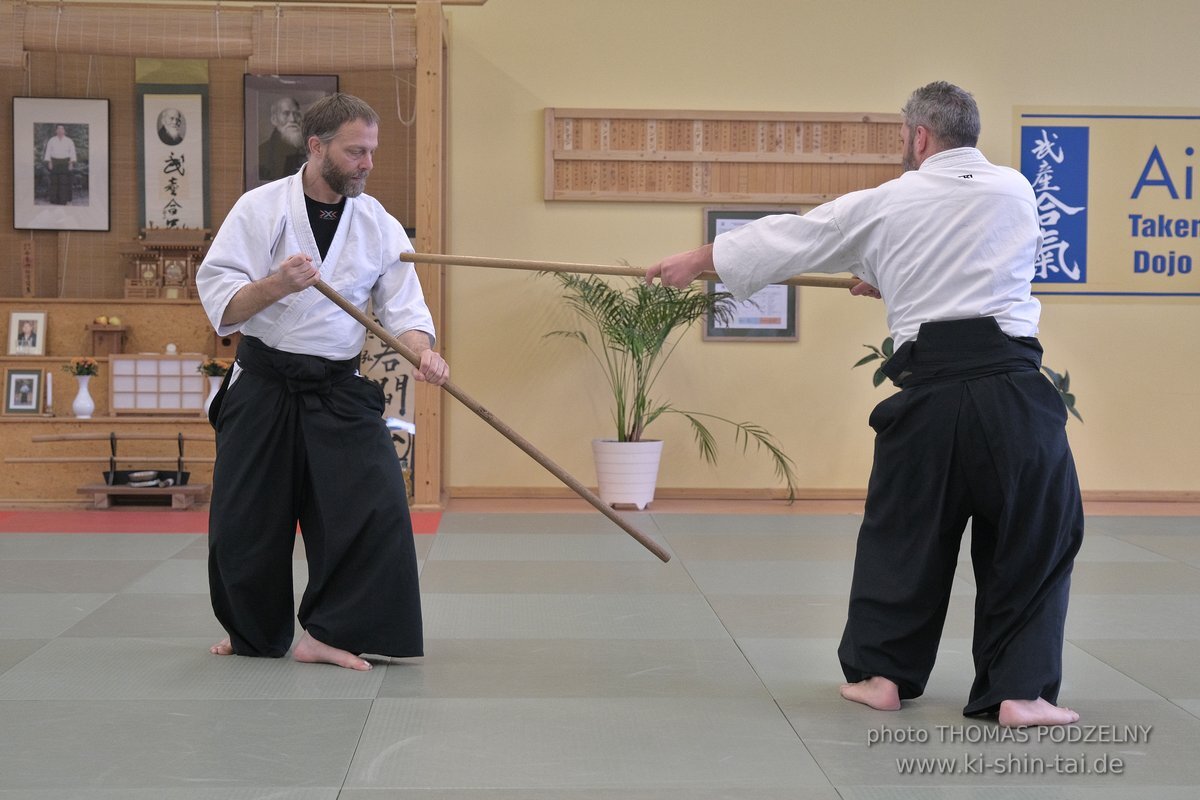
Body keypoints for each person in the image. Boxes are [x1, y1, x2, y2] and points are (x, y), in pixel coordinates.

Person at [646, 81, 1083, 728]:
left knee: (904, 534)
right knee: (1033, 535)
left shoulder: (886, 201)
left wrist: (698, 259)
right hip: (1016, 398)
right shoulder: (1017, 191)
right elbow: (969, 264)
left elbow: (794, 237)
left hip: (931, 399)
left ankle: (882, 676)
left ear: (919, 137)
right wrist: (888, 278)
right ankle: (1020, 693)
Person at [195, 93, 449, 671]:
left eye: (371, 152)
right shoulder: (260, 209)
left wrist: (423, 353)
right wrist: (277, 284)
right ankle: (254, 633)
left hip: (336, 386)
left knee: (375, 507)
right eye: (355, 151)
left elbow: (404, 311)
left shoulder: (378, 223)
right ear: (316, 147)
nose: (366, 163)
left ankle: (329, 633)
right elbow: (222, 302)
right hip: (263, 380)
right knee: (247, 519)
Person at [258, 96, 307, 181]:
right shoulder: (263, 151)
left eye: (296, 114)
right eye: (286, 114)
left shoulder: (310, 150)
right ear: (274, 119)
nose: (292, 119)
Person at [42, 125, 77, 205]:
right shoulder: (52, 140)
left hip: (65, 163)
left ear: (64, 131)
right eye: (58, 129)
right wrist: (49, 162)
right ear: (56, 131)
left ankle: (63, 200)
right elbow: (48, 152)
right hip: (54, 162)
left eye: (62, 129)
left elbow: (72, 152)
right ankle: (54, 200)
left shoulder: (69, 141)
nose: (60, 131)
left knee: (64, 182)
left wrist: (71, 163)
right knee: (54, 182)